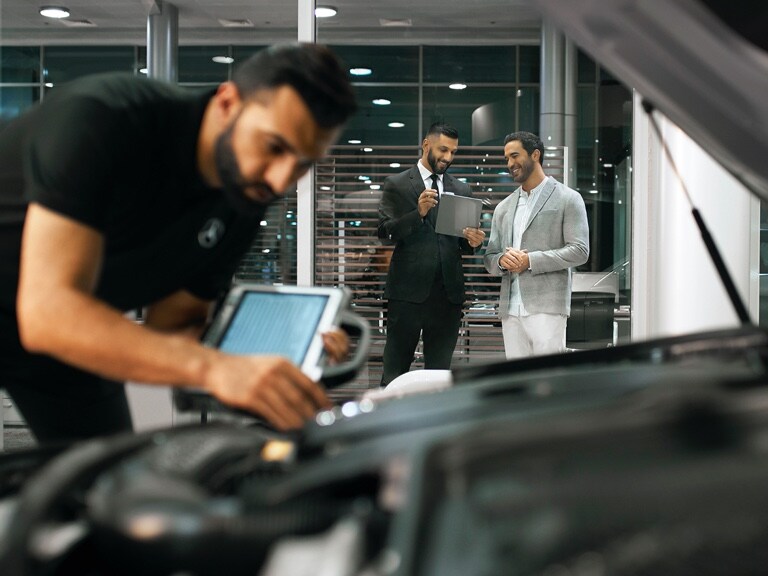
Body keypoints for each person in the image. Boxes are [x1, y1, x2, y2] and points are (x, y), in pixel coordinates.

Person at [0, 43, 357, 442]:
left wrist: (281, 357)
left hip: (69, 343)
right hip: (54, 318)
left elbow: (174, 327)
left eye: (303, 164)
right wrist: (215, 369)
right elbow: (48, 315)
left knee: (103, 487)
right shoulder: (105, 118)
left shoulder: (243, 197)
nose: (279, 181)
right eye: (274, 147)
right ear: (227, 102)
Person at [377, 123, 485, 385]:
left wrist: (473, 242)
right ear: (426, 144)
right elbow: (384, 232)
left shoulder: (462, 189)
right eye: (443, 149)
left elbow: (461, 244)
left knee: (439, 378)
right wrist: (418, 214)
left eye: (453, 152)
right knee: (394, 373)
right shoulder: (398, 184)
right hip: (406, 297)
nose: (448, 157)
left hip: (447, 298)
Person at [483, 131, 589, 359]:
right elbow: (490, 257)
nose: (510, 164)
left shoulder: (568, 198)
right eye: (506, 159)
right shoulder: (503, 207)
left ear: (535, 155)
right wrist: (501, 261)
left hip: (548, 308)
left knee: (550, 380)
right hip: (510, 310)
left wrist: (530, 261)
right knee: (517, 382)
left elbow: (580, 251)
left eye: (514, 156)